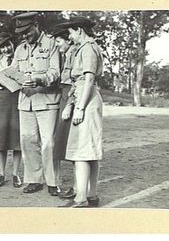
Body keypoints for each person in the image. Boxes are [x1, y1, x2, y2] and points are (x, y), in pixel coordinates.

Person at [11, 12, 61, 196]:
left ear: (36, 25)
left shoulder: (51, 44)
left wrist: (39, 79)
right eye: (21, 33)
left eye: (27, 31)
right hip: (25, 102)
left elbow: (56, 72)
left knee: (48, 143)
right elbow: (14, 71)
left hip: (47, 101)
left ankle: (53, 181)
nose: (24, 36)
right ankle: (34, 180)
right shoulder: (19, 49)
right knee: (27, 141)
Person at [58, 17, 104, 207]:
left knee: (82, 151)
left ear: (79, 30)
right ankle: (91, 195)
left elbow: (88, 80)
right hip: (85, 97)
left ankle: (81, 198)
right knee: (89, 149)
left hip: (88, 99)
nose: (70, 36)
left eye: (70, 32)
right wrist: (73, 103)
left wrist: (80, 107)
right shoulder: (87, 47)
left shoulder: (87, 48)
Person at [0, 32, 22, 188]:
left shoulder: (20, 60)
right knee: (1, 137)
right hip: (2, 100)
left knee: (16, 138)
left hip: (17, 98)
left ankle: (16, 174)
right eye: (2, 47)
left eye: (7, 45)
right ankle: (1, 173)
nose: (5, 49)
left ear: (12, 44)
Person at [51, 28, 78, 198]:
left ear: (68, 40)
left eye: (59, 41)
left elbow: (78, 82)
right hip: (63, 95)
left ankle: (77, 187)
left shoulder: (75, 53)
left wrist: (69, 104)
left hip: (71, 97)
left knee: (73, 143)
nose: (56, 44)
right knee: (61, 142)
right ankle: (61, 184)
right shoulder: (66, 54)